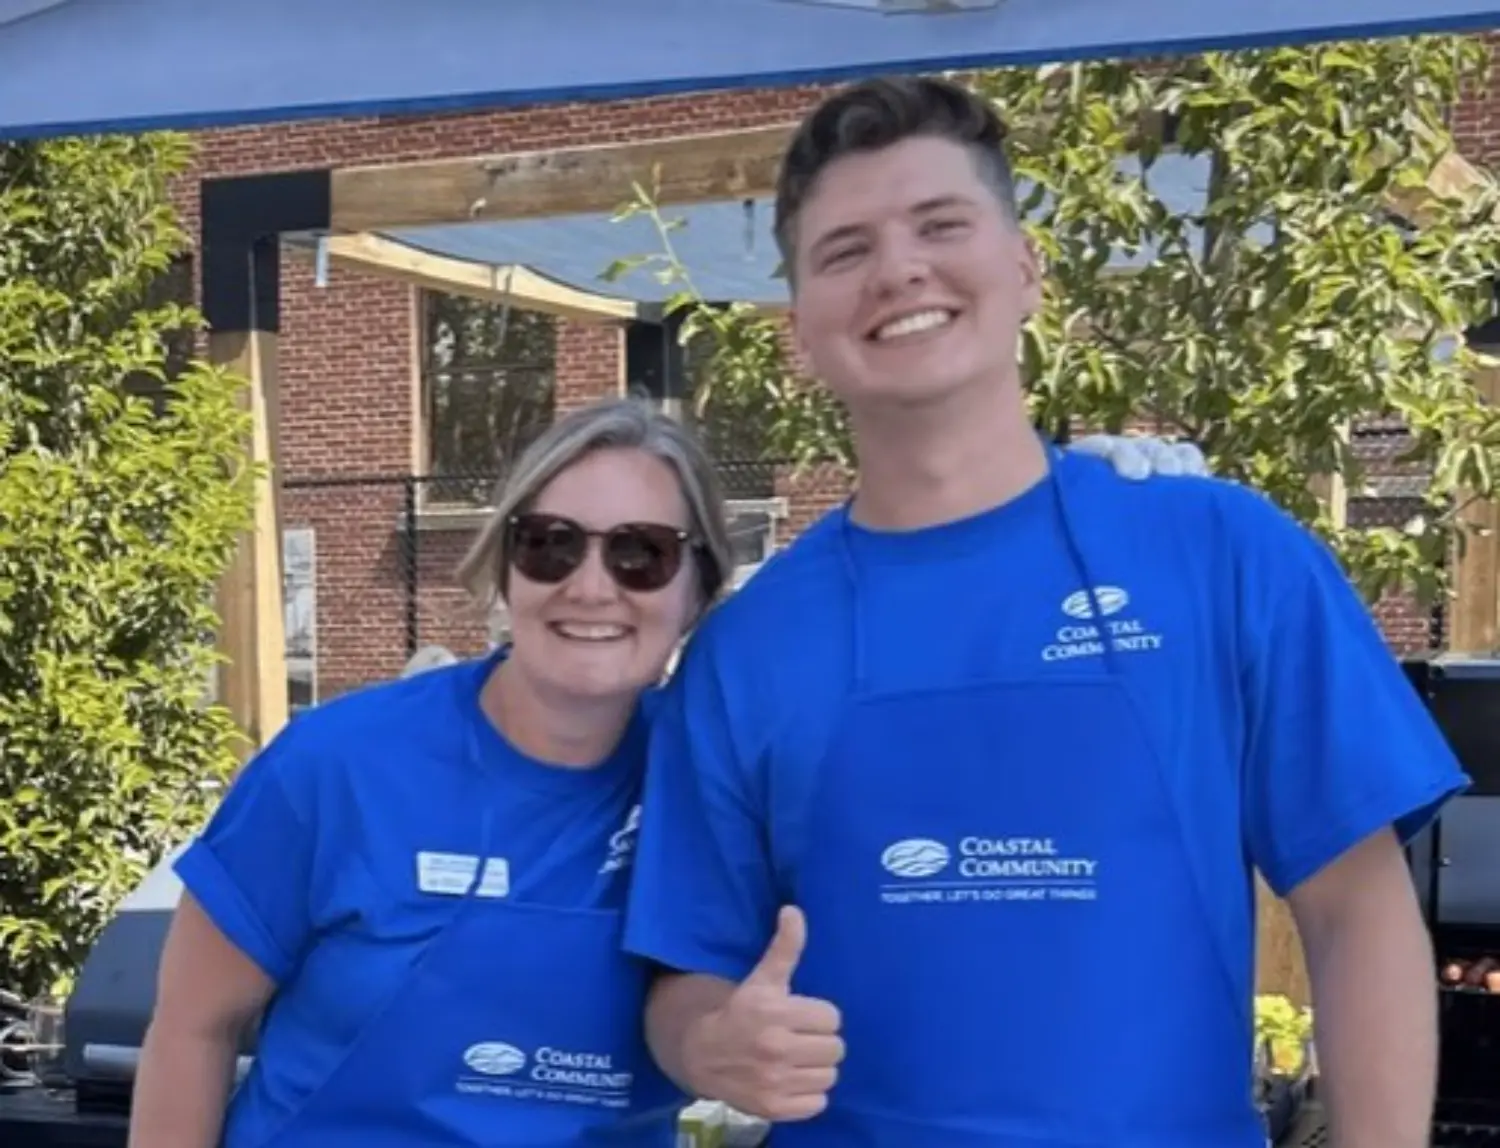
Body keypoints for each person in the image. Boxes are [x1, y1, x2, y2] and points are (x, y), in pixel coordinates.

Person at [624, 77, 1469, 1147]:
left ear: (1026, 269)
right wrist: (709, 1042)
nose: (899, 270)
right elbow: (686, 968)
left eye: (940, 224)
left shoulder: (1220, 554)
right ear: (798, 326)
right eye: (845, 250)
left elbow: (1356, 908)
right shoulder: (747, 649)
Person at [125, 395, 1182, 1148]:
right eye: (550, 544)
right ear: (503, 565)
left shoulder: (726, 776)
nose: (592, 584)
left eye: (640, 553)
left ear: (697, 591)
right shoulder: (339, 765)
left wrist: (1053, 514)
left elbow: (959, 716)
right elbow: (192, 1024)